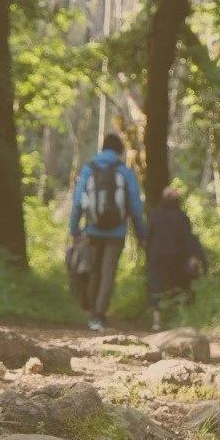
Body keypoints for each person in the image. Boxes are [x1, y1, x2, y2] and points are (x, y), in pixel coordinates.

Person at [69, 133, 146, 332]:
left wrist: (74, 229)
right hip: (116, 232)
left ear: (102, 148)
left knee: (94, 270)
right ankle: (98, 315)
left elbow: (77, 202)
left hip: (92, 230)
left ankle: (91, 313)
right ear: (119, 151)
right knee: (108, 272)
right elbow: (136, 206)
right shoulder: (124, 171)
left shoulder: (89, 169)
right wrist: (141, 234)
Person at [145, 185, 208, 332]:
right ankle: (179, 320)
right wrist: (194, 257)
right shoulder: (181, 217)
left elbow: (148, 237)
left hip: (157, 258)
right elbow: (188, 239)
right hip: (177, 259)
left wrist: (148, 255)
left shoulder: (155, 214)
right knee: (180, 288)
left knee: (156, 288)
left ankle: (157, 321)